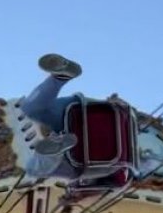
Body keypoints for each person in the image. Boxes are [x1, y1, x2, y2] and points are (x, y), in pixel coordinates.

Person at [19, 53, 130, 186]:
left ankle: (60, 77)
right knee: (34, 169)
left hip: (86, 112)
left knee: (31, 109)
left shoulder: (126, 118)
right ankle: (55, 148)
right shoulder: (120, 170)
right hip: (94, 155)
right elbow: (117, 184)